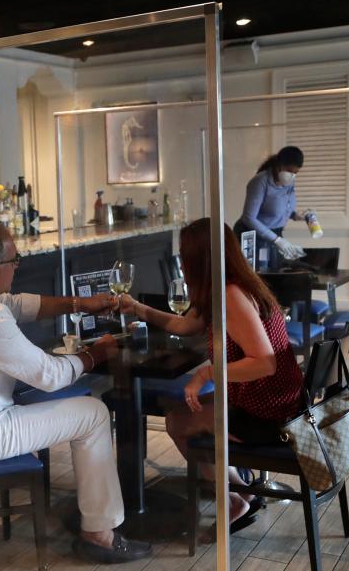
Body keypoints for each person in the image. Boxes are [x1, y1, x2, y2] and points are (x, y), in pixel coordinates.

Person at [0, 223, 152, 564]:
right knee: (92, 414)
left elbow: (13, 304)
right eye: (14, 260)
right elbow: (50, 375)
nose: (18, 265)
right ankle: (99, 534)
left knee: (12, 392)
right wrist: (98, 353)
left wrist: (77, 303)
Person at [119, 218, 304, 539]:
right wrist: (137, 308)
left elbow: (265, 363)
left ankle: (234, 500)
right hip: (274, 400)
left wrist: (206, 371)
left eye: (183, 255)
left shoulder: (231, 295)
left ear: (197, 259)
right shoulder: (231, 285)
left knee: (179, 423)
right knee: (181, 414)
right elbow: (183, 326)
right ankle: (243, 493)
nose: (180, 260)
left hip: (268, 412)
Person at [234, 146, 307, 269]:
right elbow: (248, 218)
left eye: (296, 172)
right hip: (254, 235)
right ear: (279, 165)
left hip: (274, 233)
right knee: (260, 275)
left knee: (277, 271)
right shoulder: (260, 182)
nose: (292, 176)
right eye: (289, 171)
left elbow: (279, 208)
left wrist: (296, 215)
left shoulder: (289, 182)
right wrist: (276, 240)